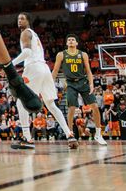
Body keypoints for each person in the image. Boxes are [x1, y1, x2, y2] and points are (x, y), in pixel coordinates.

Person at [10, 12, 78, 149]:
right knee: (51, 104)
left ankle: (27, 138)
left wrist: (11, 64)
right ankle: (69, 135)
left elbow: (28, 53)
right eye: (18, 19)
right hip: (44, 68)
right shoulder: (34, 34)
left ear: (28, 21)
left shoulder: (25, 33)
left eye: (22, 18)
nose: (19, 21)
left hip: (34, 68)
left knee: (20, 102)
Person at [51, 34, 107, 146]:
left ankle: (98, 134)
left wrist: (91, 84)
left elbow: (89, 71)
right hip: (70, 83)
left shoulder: (83, 54)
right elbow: (55, 70)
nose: (71, 41)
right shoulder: (61, 54)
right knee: (71, 108)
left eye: (73, 40)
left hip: (83, 82)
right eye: (69, 40)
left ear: (76, 43)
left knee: (95, 107)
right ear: (66, 43)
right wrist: (50, 84)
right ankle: (70, 134)